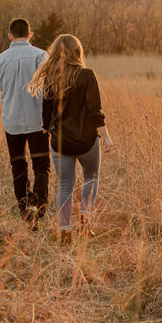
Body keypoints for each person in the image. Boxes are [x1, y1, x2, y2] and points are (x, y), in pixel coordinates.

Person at [27, 34, 114, 246]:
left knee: (64, 186)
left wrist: (47, 130)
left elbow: (45, 117)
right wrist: (107, 137)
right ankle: (85, 224)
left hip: (60, 142)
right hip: (87, 140)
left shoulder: (51, 78)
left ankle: (64, 233)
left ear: (56, 53)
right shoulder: (87, 75)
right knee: (91, 178)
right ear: (78, 52)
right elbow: (95, 111)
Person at [0, 17, 50, 229]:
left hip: (12, 124)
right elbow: (50, 91)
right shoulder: (41, 56)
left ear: (10, 35)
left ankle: (24, 210)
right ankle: (37, 207)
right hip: (39, 123)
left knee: (18, 166)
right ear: (30, 34)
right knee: (41, 166)